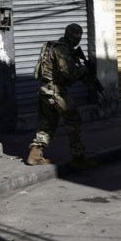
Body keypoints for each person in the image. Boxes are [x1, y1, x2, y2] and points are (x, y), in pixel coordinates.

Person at [25, 23, 96, 170]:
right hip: (56, 92)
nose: (77, 40)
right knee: (73, 121)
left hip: (45, 91)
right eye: (77, 37)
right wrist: (84, 69)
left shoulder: (53, 46)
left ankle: (34, 155)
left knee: (47, 123)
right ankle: (78, 158)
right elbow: (68, 74)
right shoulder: (62, 50)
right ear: (71, 36)